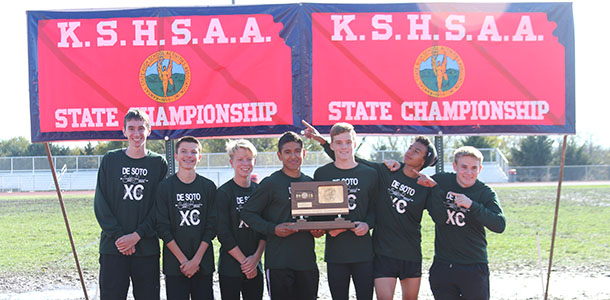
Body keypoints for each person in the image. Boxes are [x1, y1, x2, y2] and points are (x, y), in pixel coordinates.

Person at [303, 120, 437, 300]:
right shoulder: (385, 171)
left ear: (424, 160)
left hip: (394, 251)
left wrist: (435, 186)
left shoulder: (422, 185)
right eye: (410, 147)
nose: (410, 152)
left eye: (416, 151)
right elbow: (347, 159)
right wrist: (322, 141)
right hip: (361, 252)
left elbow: (441, 205)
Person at [94, 108, 168, 300]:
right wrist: (120, 237)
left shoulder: (158, 163)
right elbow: (101, 204)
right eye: (132, 128)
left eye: (141, 128)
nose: (137, 134)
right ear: (124, 131)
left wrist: (137, 235)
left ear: (149, 130)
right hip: (114, 247)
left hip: (146, 248)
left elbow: (159, 208)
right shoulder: (110, 160)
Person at [240, 131, 324, 300]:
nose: (293, 156)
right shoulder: (271, 183)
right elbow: (247, 212)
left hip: (306, 262)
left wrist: (318, 228)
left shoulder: (310, 183)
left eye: (297, 151)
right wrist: (273, 229)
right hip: (279, 263)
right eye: (287, 152)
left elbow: (315, 218)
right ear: (279, 155)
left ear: (304, 153)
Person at [416, 146, 506, 300]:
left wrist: (472, 205)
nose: (468, 173)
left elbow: (499, 224)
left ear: (480, 169)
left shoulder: (485, 192)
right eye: (464, 167)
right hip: (443, 265)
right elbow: (413, 179)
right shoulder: (442, 180)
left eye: (474, 168)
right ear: (455, 166)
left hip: (474, 266)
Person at [312, 123, 378, 300]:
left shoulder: (370, 174)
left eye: (348, 142)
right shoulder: (322, 174)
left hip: (363, 251)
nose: (344, 147)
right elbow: (318, 212)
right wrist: (326, 228)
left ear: (354, 143)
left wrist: (367, 224)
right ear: (331, 145)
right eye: (339, 142)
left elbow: (375, 209)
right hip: (336, 252)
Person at [155, 136, 217, 300]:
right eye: (184, 151)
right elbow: (162, 228)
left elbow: (211, 227)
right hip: (175, 264)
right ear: (176, 156)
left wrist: (196, 261)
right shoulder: (165, 188)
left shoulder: (208, 187)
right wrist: (184, 261)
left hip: (202, 263)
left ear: (200, 157)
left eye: (193, 152)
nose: (188, 156)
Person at [216, 139, 265, 300]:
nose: (245, 163)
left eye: (249, 159)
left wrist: (255, 260)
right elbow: (223, 233)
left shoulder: (260, 192)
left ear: (254, 161)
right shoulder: (224, 192)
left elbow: (264, 230)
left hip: (255, 265)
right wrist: (245, 262)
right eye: (240, 159)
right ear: (231, 162)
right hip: (231, 267)